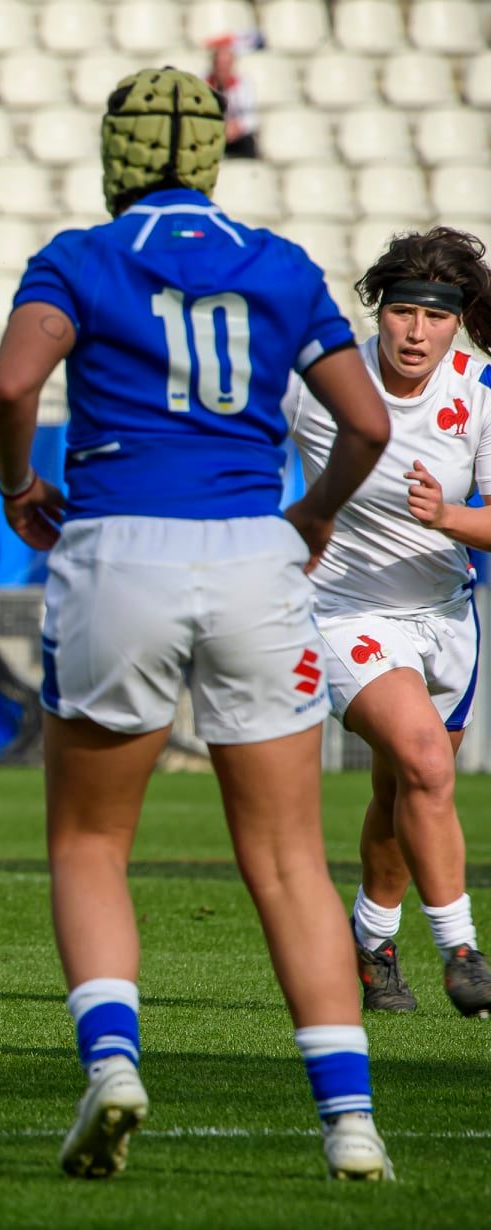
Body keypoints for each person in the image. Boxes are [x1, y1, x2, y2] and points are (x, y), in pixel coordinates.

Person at [0, 69, 393, 1180]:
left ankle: (113, 1065)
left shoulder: (81, 256)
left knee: (89, 840)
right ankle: (350, 1123)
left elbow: (17, 385)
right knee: (288, 860)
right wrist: (309, 514)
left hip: (122, 545)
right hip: (251, 552)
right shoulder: (281, 264)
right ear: (213, 155)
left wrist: (20, 483)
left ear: (115, 154)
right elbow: (365, 421)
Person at [286, 227, 491, 1020]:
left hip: (444, 620)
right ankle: (463, 950)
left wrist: (447, 517)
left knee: (400, 793)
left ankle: (371, 941)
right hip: (342, 612)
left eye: (434, 318)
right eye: (402, 312)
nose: (416, 331)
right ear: (379, 314)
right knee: (426, 768)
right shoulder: (320, 387)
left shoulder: (477, 392)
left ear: (458, 320)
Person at [206, 37, 259, 160]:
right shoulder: (204, 83)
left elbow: (251, 117)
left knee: (248, 142)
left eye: (226, 65)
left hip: (236, 136)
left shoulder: (243, 85)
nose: (222, 69)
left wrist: (238, 127)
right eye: (219, 64)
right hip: (212, 134)